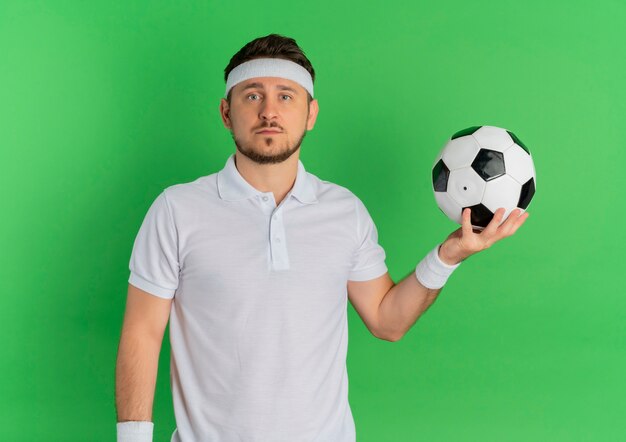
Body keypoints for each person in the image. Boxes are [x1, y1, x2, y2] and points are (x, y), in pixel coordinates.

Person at [115, 34, 529, 442]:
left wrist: (450, 254)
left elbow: (388, 321)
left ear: (311, 114)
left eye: (286, 96)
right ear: (226, 112)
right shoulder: (177, 209)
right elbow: (142, 332)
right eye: (253, 96)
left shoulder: (344, 211)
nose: (269, 111)